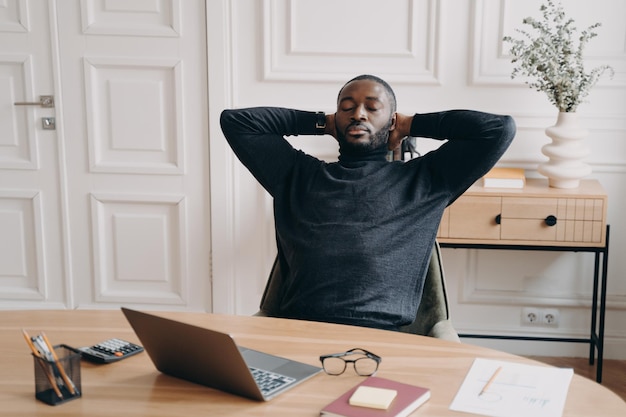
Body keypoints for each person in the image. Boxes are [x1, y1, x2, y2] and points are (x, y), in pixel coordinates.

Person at [220, 74, 516, 331]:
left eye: (372, 108)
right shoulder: (296, 175)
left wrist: (411, 124)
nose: (358, 113)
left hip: (379, 337)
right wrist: (322, 122)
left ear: (391, 120)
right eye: (346, 108)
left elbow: (497, 129)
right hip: (300, 329)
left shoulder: (426, 181)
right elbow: (236, 122)